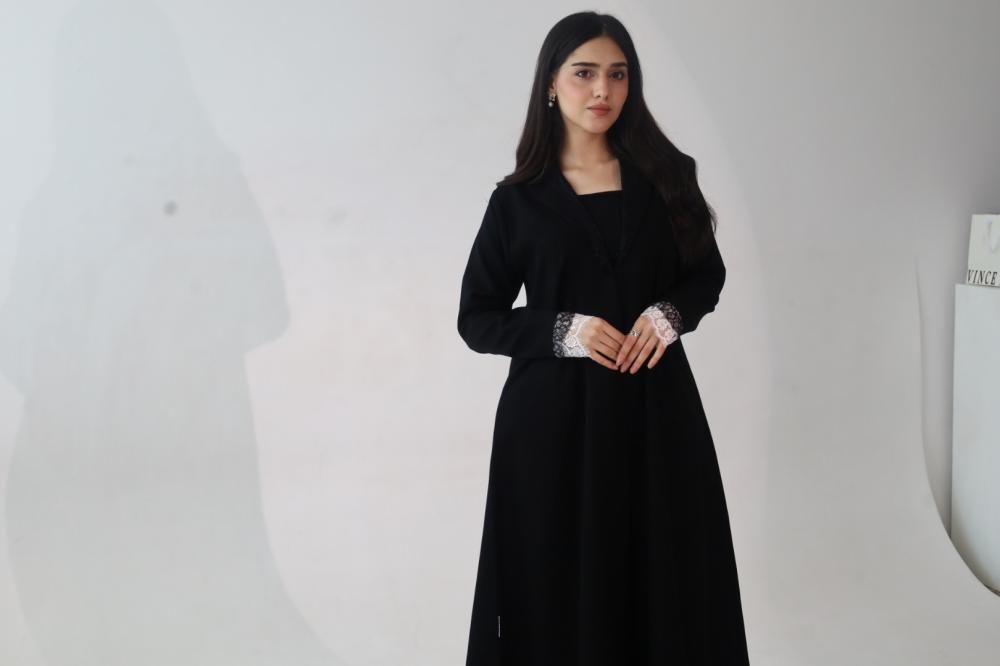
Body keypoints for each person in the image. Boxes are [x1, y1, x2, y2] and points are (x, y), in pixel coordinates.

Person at [457, 11, 750, 666]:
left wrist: (669, 315)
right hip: (551, 427)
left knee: (667, 575)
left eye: (618, 75)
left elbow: (706, 274)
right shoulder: (517, 202)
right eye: (584, 73)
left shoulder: (668, 177)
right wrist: (564, 329)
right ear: (550, 84)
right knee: (553, 579)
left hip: (657, 416)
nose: (602, 91)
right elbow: (476, 317)